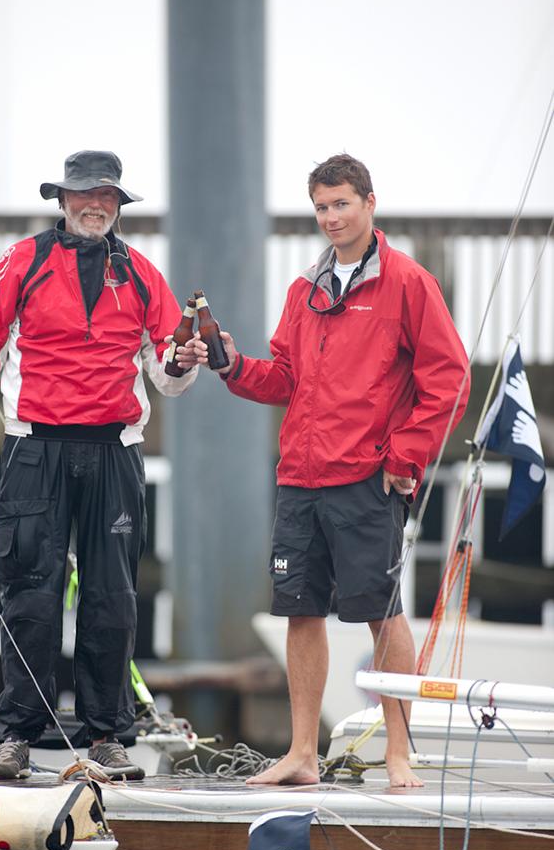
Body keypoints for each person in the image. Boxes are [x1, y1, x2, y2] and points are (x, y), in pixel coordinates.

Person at [182, 154, 470, 787]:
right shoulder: (303, 290)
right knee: (300, 612)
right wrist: (228, 362)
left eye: (342, 203)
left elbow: (448, 379)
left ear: (369, 202)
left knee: (382, 612)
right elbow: (282, 378)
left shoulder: (407, 282)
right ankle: (302, 755)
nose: (331, 217)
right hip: (299, 480)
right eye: (321, 206)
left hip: (366, 480)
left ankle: (400, 751)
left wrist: (405, 456)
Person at [0, 149, 197, 780]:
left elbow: (169, 371)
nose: (96, 206)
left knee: (112, 599)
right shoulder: (22, 261)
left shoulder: (142, 272)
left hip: (115, 450)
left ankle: (106, 738)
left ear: (118, 205)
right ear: (62, 200)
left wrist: (184, 360)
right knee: (29, 594)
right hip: (36, 448)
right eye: (84, 195)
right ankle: (18, 737)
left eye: (108, 197)